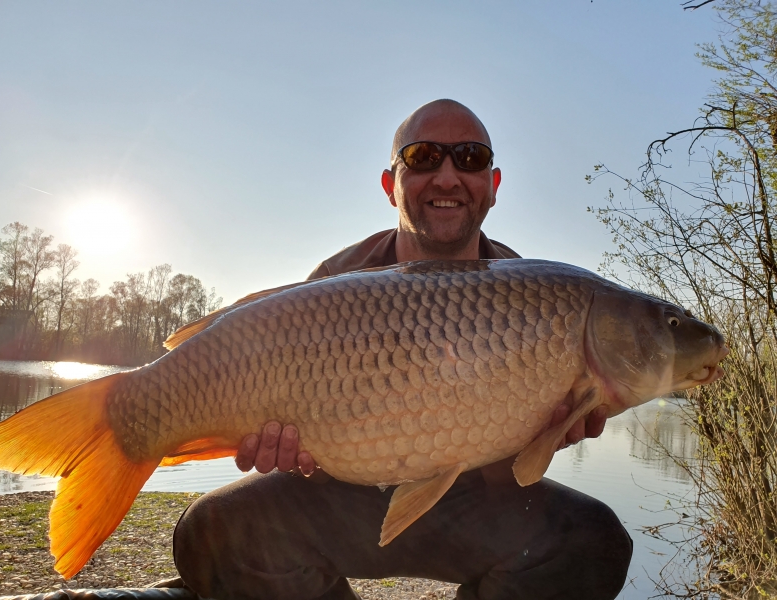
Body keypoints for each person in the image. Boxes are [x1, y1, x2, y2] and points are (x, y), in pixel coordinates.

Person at [173, 99, 633, 600]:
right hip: (343, 496)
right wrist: (283, 451)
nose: (448, 177)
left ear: (493, 186)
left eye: (470, 159)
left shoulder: (531, 291)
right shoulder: (337, 281)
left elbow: (507, 477)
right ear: (391, 185)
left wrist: (548, 435)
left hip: (469, 505)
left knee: (595, 540)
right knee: (211, 531)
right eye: (423, 157)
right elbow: (306, 460)